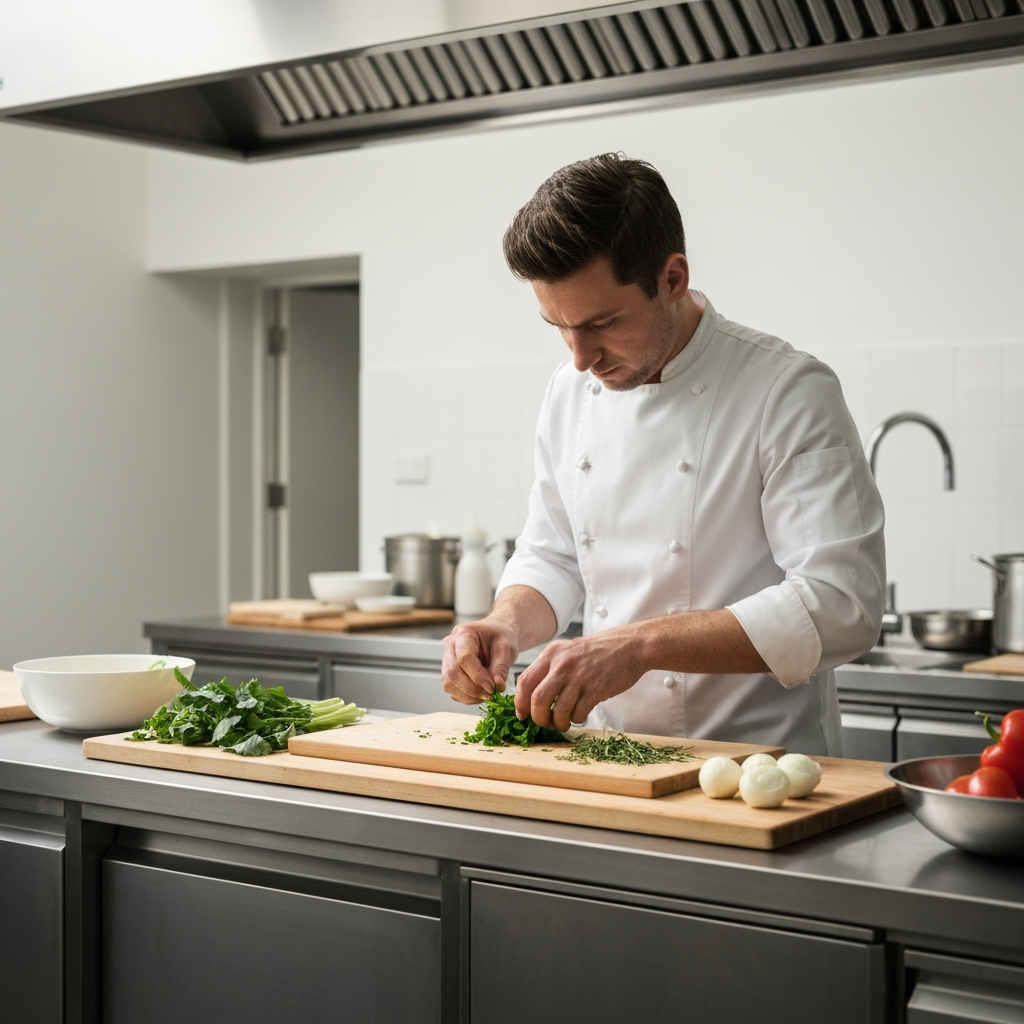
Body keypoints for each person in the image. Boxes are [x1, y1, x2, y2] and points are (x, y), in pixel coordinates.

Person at [441, 153, 884, 755]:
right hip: (611, 758)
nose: (580, 358)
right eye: (558, 327)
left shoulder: (786, 389)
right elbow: (554, 554)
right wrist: (504, 625)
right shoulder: (570, 391)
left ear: (672, 278)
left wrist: (638, 646)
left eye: (602, 322)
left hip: (760, 771)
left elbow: (842, 605)